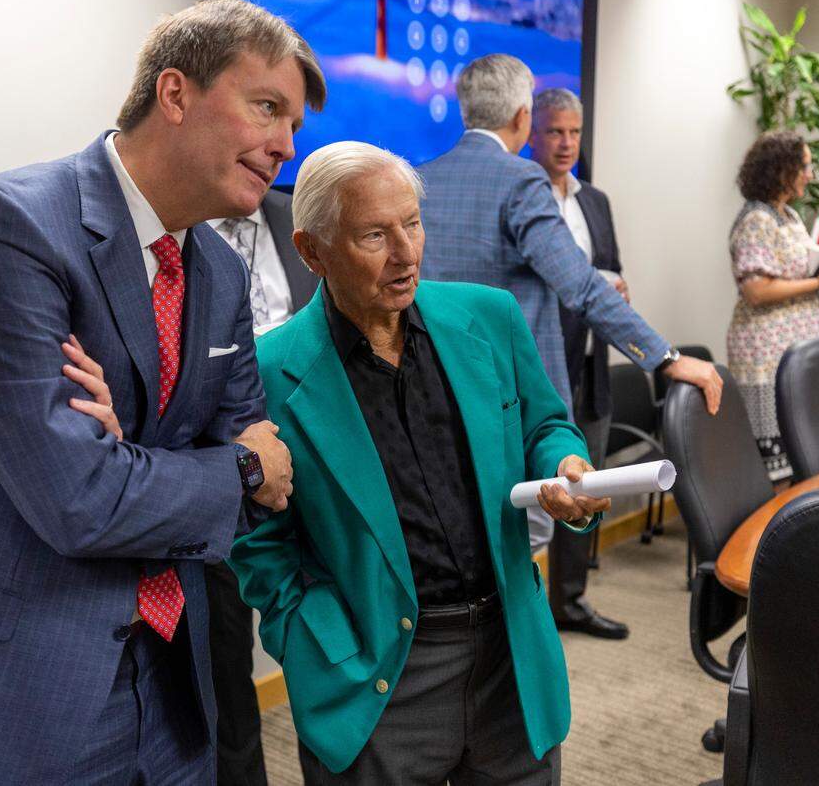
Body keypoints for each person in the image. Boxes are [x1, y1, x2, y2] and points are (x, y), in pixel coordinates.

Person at [0, 0, 322, 783]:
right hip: (8, 692)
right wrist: (234, 467)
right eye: (266, 107)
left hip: (171, 690)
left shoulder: (218, 271)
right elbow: (79, 498)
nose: (286, 144)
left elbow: (263, 475)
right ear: (174, 94)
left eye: (293, 123)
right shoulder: (4, 228)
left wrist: (135, 459)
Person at [223, 141, 607, 784]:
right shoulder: (268, 373)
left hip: (510, 654)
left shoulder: (489, 318)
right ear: (312, 251)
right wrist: (314, 644)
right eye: (375, 235)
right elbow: (259, 542)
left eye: (412, 223)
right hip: (376, 673)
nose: (406, 254)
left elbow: (545, 424)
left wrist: (566, 460)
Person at [417, 54, 722, 550]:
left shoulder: (421, 178)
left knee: (461, 532)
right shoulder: (521, 179)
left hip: (437, 390)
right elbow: (579, 284)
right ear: (523, 116)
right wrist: (666, 359)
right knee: (529, 533)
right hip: (513, 400)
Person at [204, 188, 318, 785]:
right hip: (220, 477)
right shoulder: (174, 228)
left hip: (314, 473)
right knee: (226, 662)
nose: (281, 148)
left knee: (324, 640)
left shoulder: (297, 214)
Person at [528, 87, 629, 641]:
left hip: (591, 360)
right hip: (544, 362)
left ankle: (570, 599)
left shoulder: (596, 201)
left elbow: (608, 270)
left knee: (590, 477)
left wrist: (618, 289)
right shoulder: (523, 195)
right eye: (555, 131)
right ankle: (531, 606)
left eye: (574, 132)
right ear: (532, 133)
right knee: (546, 481)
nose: (566, 143)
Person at [726, 129, 819, 479]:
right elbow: (756, 290)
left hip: (794, 348)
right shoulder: (756, 219)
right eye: (805, 166)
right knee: (776, 468)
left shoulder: (789, 216)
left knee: (802, 454)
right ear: (781, 170)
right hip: (766, 353)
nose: (810, 174)